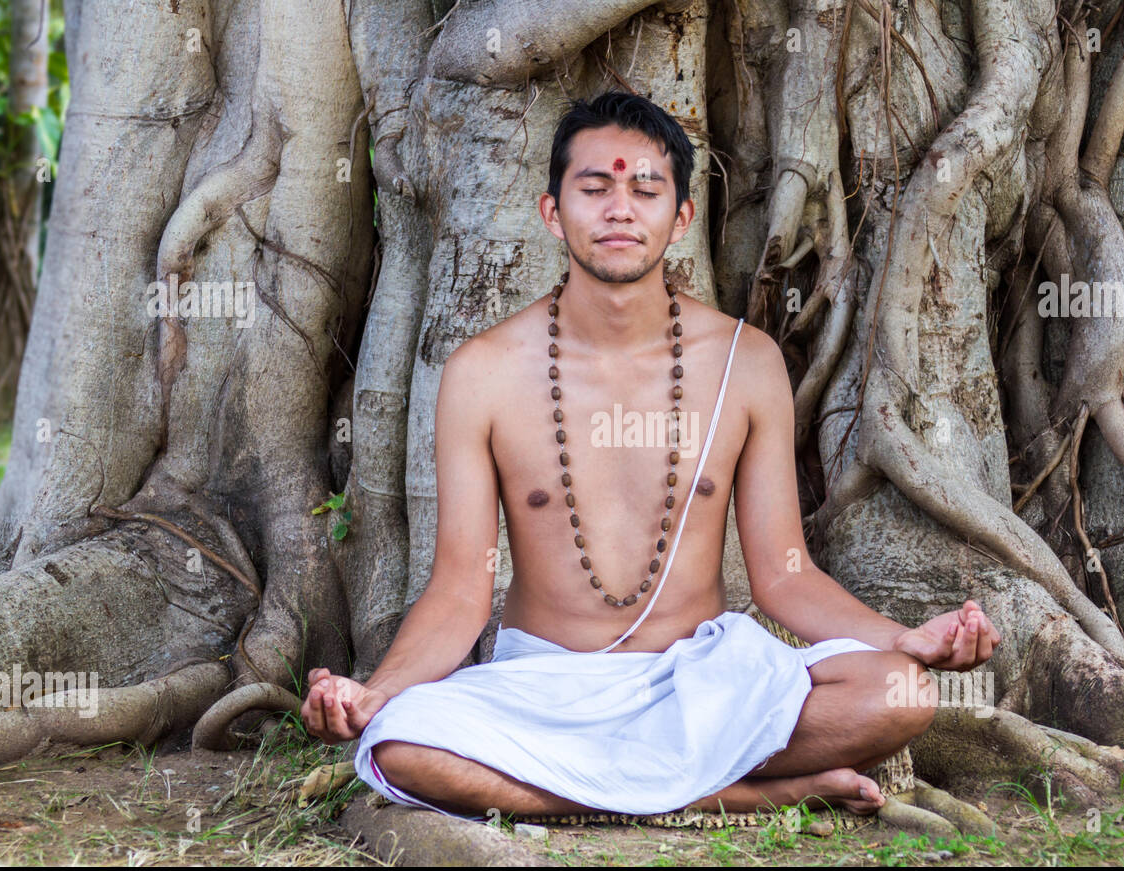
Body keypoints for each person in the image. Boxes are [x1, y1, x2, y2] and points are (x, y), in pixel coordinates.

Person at [301, 90, 1001, 820]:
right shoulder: (482, 372)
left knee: (902, 692)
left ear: (681, 218)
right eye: (594, 188)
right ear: (552, 212)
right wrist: (376, 694)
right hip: (545, 690)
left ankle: (613, 790)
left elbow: (785, 580)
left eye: (645, 189)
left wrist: (904, 639)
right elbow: (457, 592)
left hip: (700, 683)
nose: (619, 209)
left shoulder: (746, 362)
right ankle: (731, 794)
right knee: (397, 749)